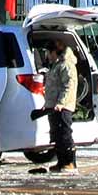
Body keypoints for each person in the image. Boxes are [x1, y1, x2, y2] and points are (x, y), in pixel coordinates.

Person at [30, 41, 80, 175]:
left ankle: (70, 162)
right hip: (53, 106)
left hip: (62, 107)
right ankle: (61, 162)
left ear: (54, 52)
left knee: (65, 134)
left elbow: (68, 86)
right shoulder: (56, 65)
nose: (46, 56)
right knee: (57, 135)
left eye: (48, 52)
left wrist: (61, 103)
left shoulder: (66, 65)